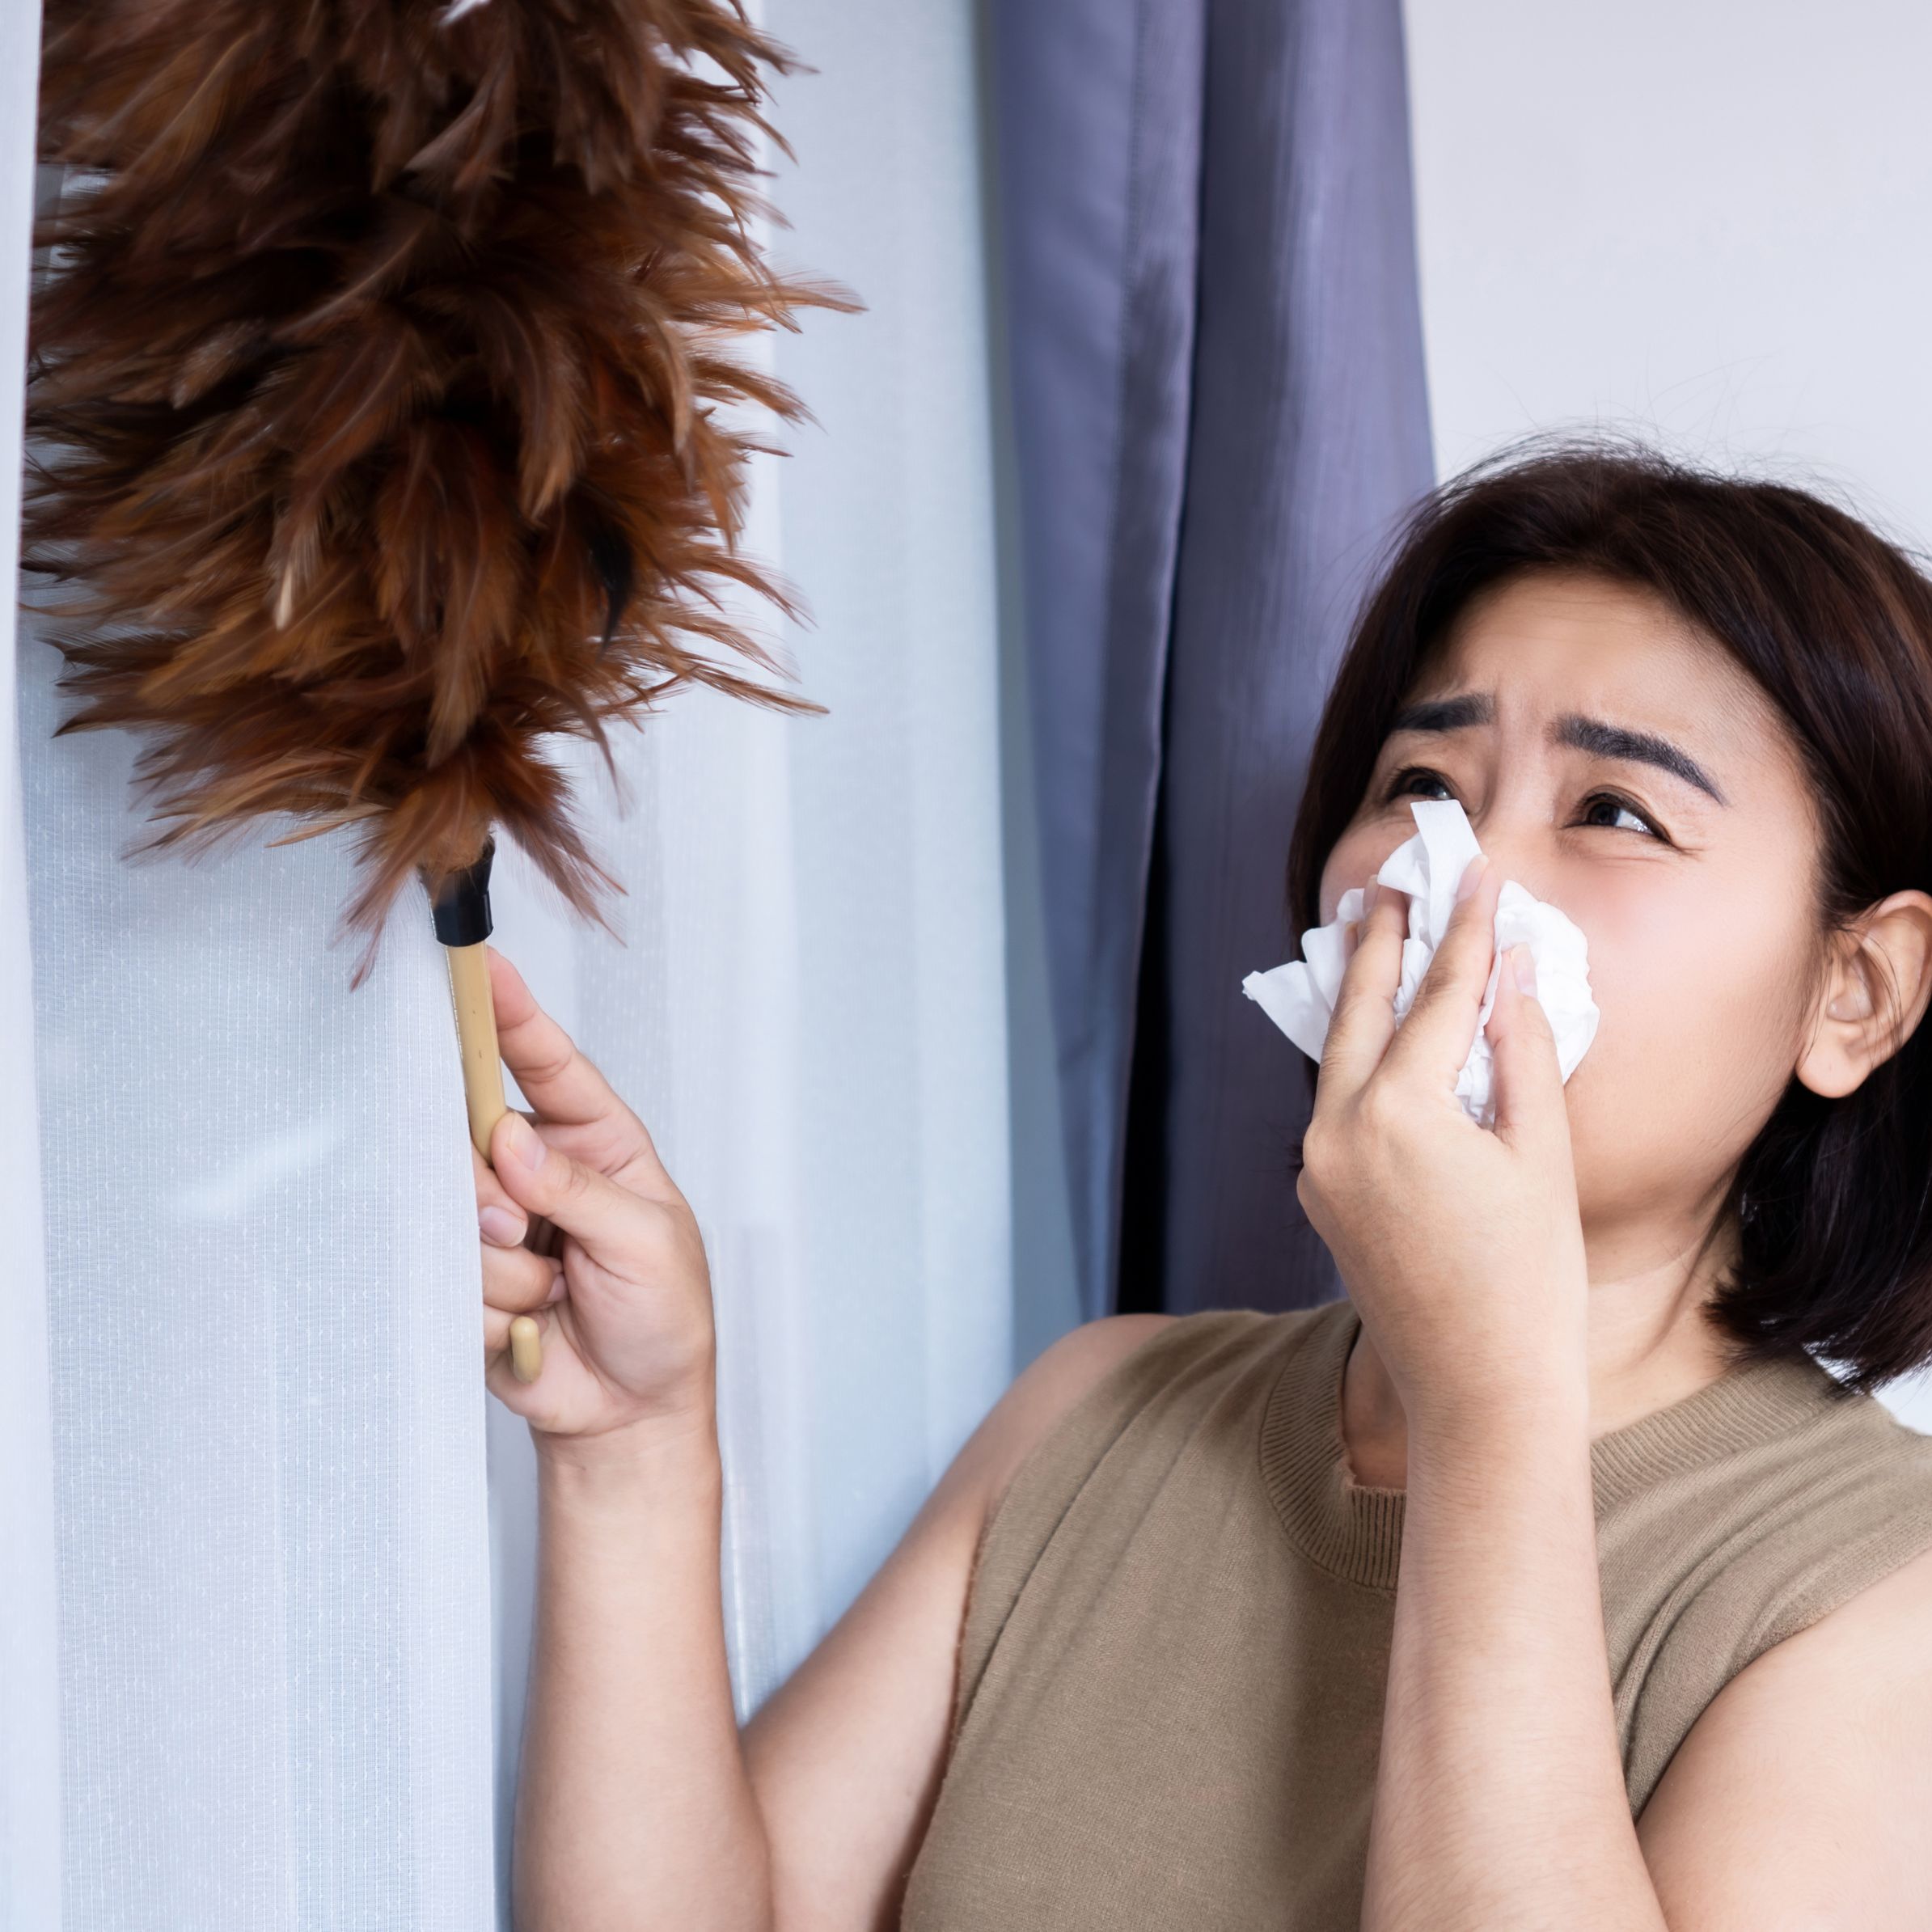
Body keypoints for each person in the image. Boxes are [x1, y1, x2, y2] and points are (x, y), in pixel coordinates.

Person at [471, 442, 1932, 1931]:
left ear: (1857, 992)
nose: (1457, 877)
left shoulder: (1876, 1592)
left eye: (1613, 810)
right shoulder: (1102, 1408)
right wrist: (632, 1447)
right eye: (1420, 783)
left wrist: (1485, 1403)